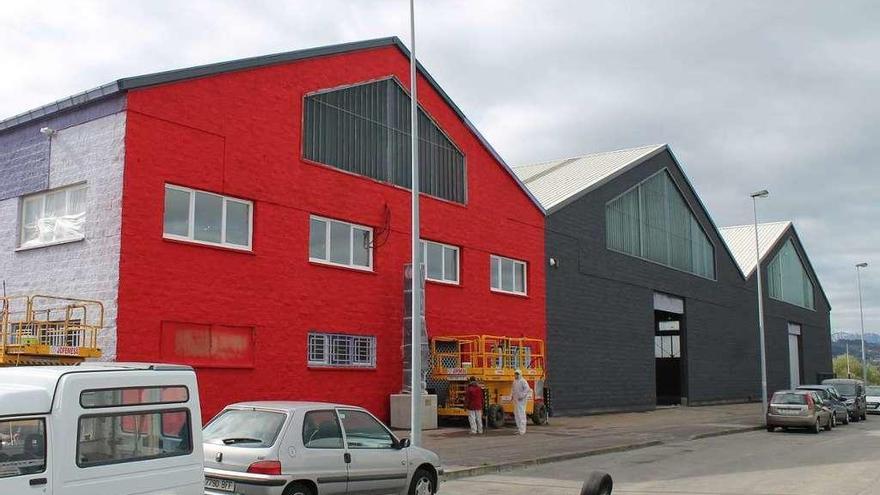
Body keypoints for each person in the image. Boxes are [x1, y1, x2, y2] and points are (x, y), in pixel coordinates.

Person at [512, 369, 531, 435]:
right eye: (515, 374)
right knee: (516, 415)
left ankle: (522, 430)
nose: (515, 375)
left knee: (521, 414)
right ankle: (519, 429)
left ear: (519, 374)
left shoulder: (523, 381)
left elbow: (527, 389)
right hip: (516, 400)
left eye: (516, 374)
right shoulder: (514, 381)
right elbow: (513, 389)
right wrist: (511, 396)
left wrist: (522, 396)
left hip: (521, 401)